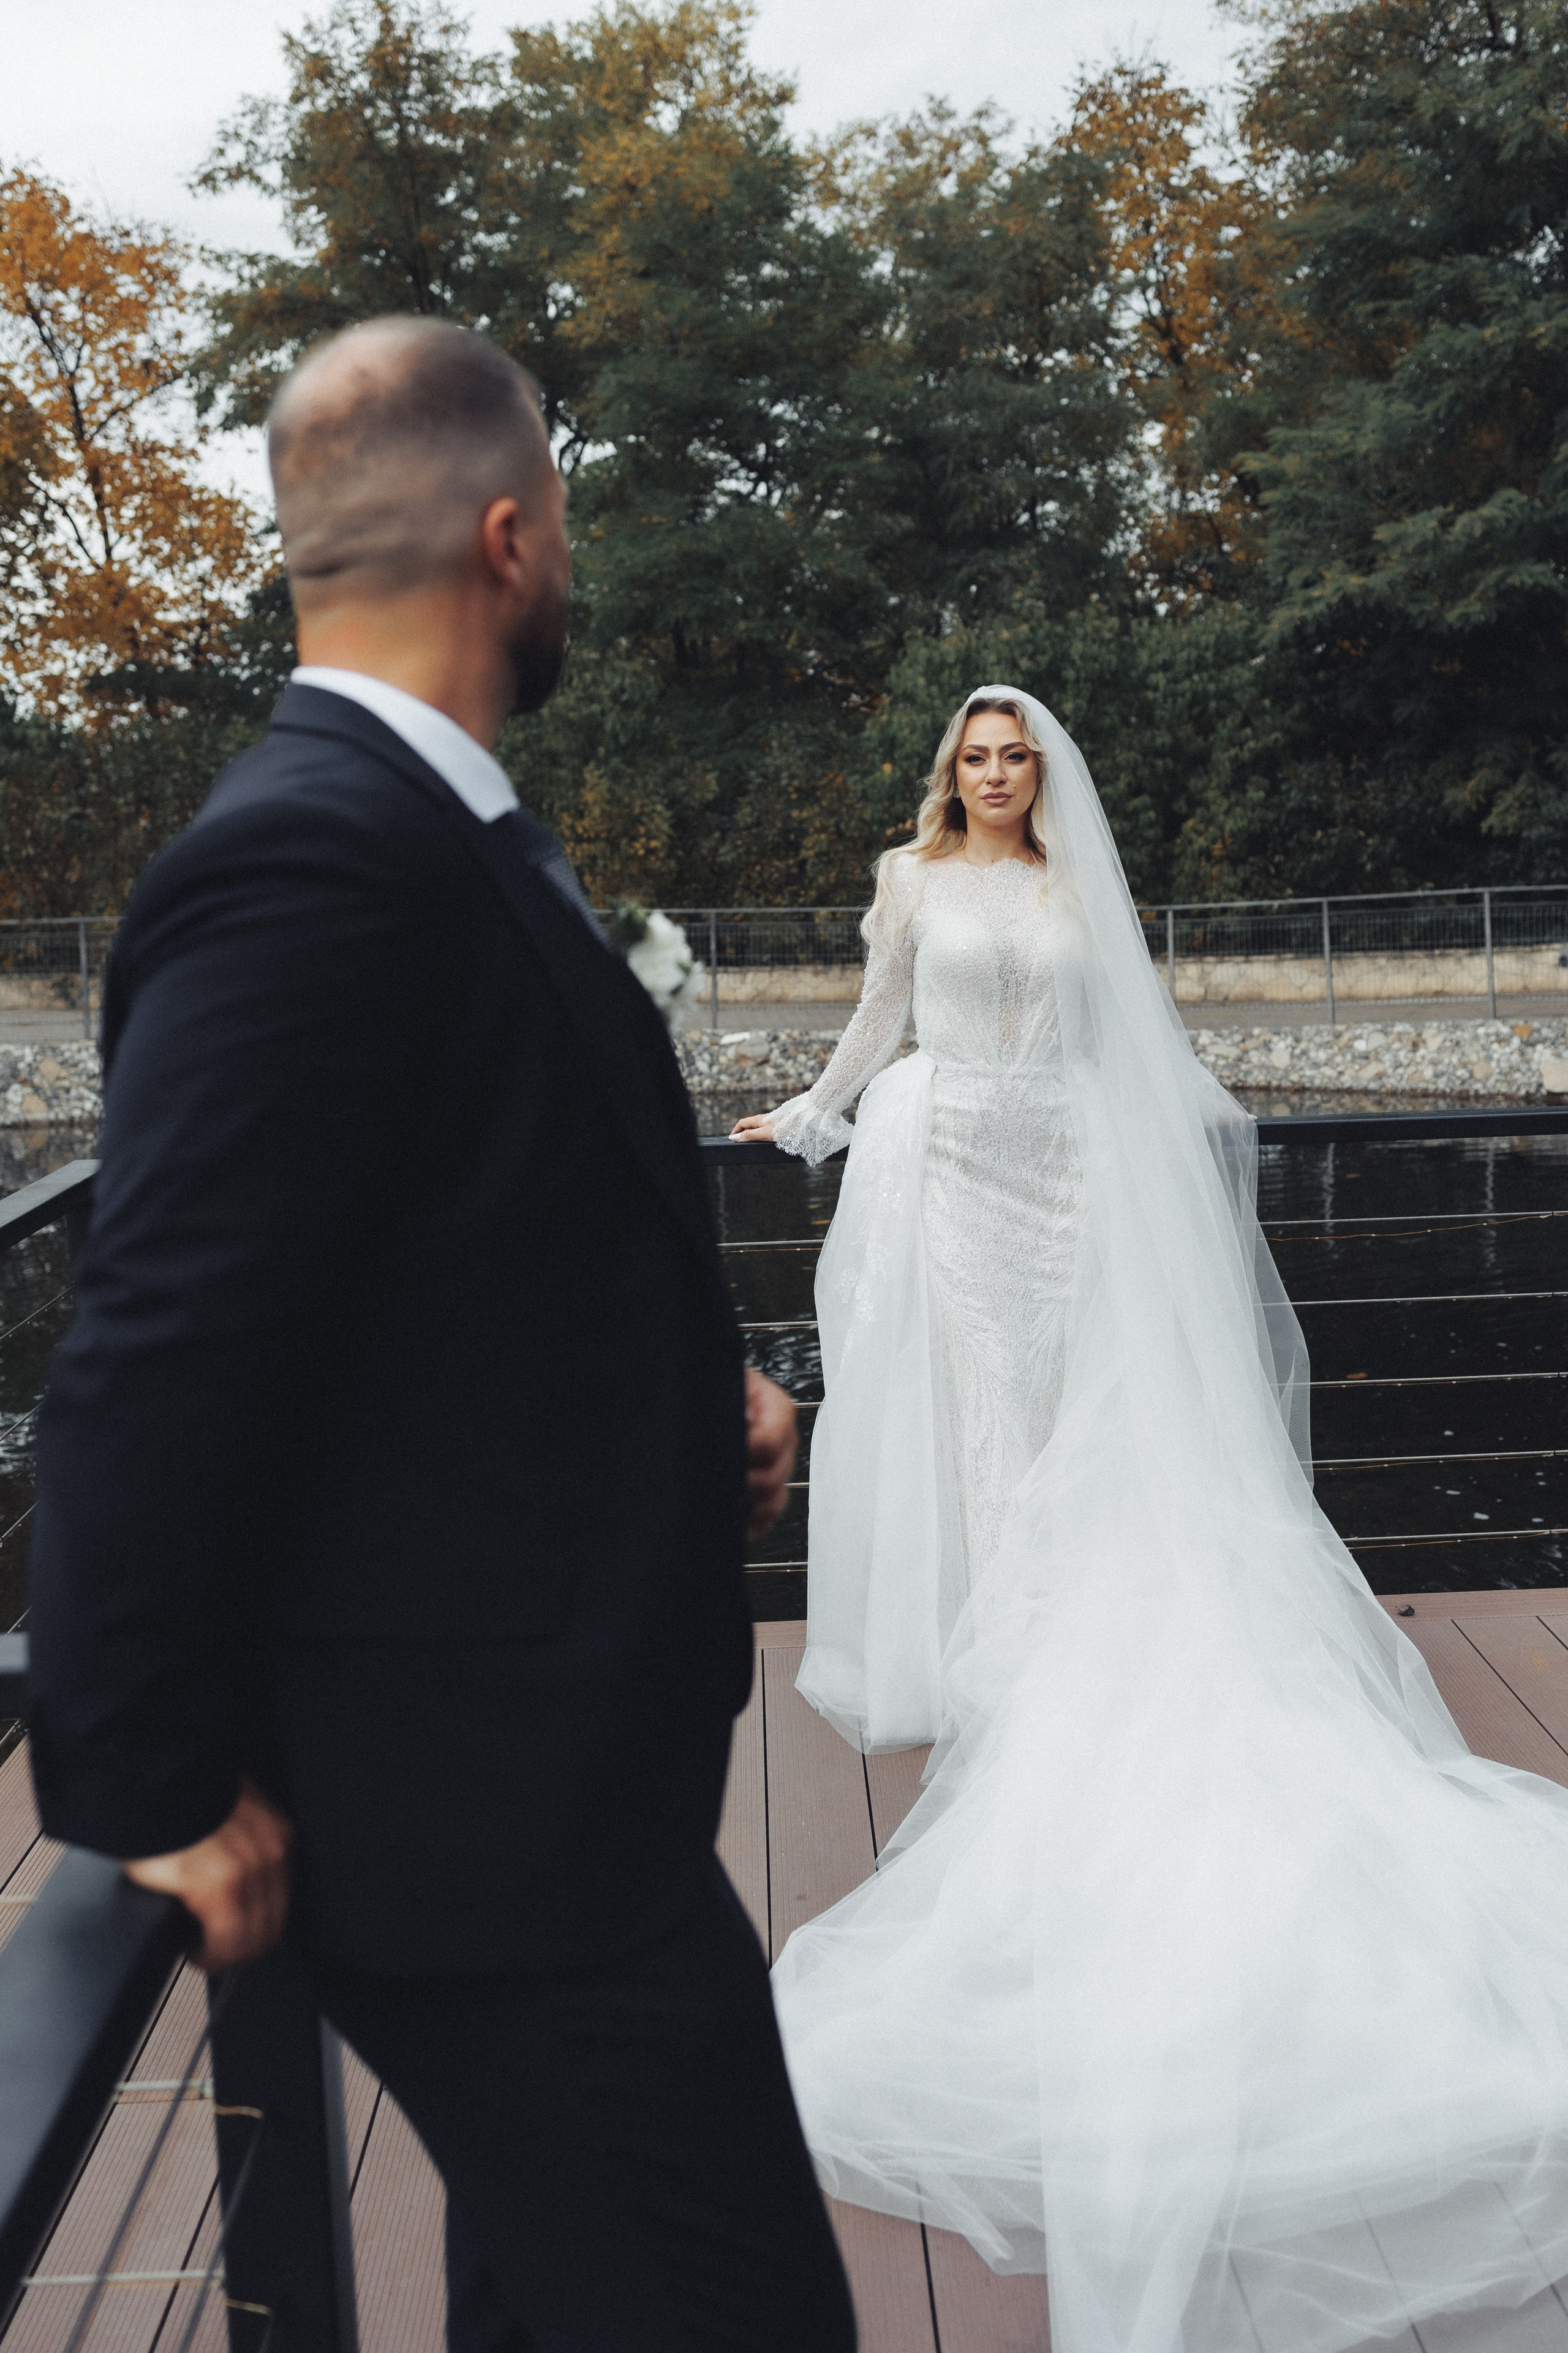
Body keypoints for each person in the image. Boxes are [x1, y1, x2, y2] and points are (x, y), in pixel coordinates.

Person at [27, 317, 856, 2353]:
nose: (567, 548)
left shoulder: (438, 827)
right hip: (482, 1841)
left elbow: (454, 1263)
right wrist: (139, 1776)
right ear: (512, 532)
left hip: (563, 1800)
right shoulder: (307, 860)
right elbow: (152, 1343)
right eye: (563, 513)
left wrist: (695, 1411)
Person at [735, 689, 1568, 2352]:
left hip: (1070, 1183)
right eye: (975, 753)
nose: (994, 771)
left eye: (1014, 752)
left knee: (1083, 1439)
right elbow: (877, 1020)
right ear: (947, 774)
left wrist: (1199, 1117)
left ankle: (1062, 1655)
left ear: (1040, 772)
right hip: (959, 1175)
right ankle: (1008, 1653)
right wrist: (808, 1118)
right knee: (986, 1433)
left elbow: (1132, 1037)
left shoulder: (1069, 888)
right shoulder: (914, 881)